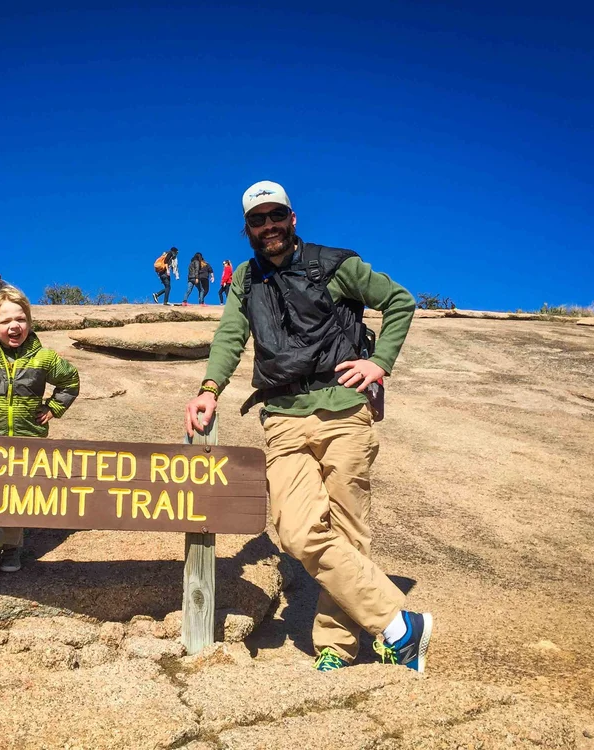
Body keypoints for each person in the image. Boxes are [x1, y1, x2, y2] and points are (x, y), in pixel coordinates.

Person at [184, 181, 431, 673]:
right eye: (258, 220)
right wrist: (209, 389)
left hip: (344, 412)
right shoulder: (247, 281)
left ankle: (337, 646)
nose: (268, 226)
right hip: (282, 416)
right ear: (247, 229)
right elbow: (231, 335)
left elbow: (400, 301)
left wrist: (379, 363)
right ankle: (399, 624)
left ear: (292, 219)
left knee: (348, 528)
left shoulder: (335, 265)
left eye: (276, 216)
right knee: (295, 532)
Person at [0, 286, 80, 580]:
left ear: (30, 322)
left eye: (21, 319)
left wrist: (54, 408)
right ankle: (11, 546)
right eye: (6, 321)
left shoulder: (44, 358)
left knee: (17, 494)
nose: (15, 326)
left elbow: (70, 381)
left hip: (29, 440)